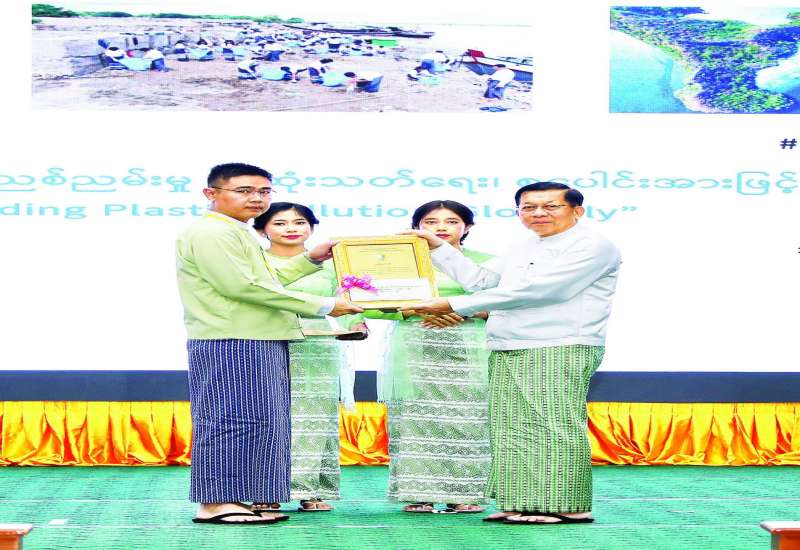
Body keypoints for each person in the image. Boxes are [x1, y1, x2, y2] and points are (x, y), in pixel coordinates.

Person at [404, 182, 622, 525]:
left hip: (558, 343)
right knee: (512, 428)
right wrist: (437, 247)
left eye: (550, 206)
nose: (538, 213)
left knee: (553, 425)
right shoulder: (523, 244)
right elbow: (482, 281)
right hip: (508, 343)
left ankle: (567, 505)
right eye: (528, 207)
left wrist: (453, 304)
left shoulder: (592, 245)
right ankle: (520, 502)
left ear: (576, 211)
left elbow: (543, 291)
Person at [175, 163, 363, 525]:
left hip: (258, 337)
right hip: (232, 338)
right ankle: (215, 502)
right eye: (244, 190)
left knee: (257, 422)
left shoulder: (237, 230)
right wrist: (325, 305)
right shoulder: (212, 232)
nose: (256, 198)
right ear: (211, 193)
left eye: (263, 191)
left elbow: (266, 278)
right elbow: (241, 286)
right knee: (228, 420)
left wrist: (311, 258)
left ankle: (235, 499)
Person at [364, 200, 493, 514]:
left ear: (467, 227)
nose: (441, 228)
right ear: (417, 227)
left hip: (470, 346)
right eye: (431, 222)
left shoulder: (488, 262)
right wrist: (414, 310)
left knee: (469, 419)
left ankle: (465, 493)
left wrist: (463, 310)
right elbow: (365, 304)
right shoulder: (397, 261)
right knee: (414, 419)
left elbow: (511, 303)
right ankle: (417, 492)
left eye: (451, 221)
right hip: (415, 345)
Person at [252, 203, 368, 513]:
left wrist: (356, 323)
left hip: (318, 346)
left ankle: (310, 488)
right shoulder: (254, 261)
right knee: (268, 418)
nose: (291, 228)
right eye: (280, 223)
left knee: (314, 418)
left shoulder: (333, 264)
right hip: (266, 342)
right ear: (262, 229)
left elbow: (346, 302)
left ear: (312, 228)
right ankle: (267, 488)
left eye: (300, 222)